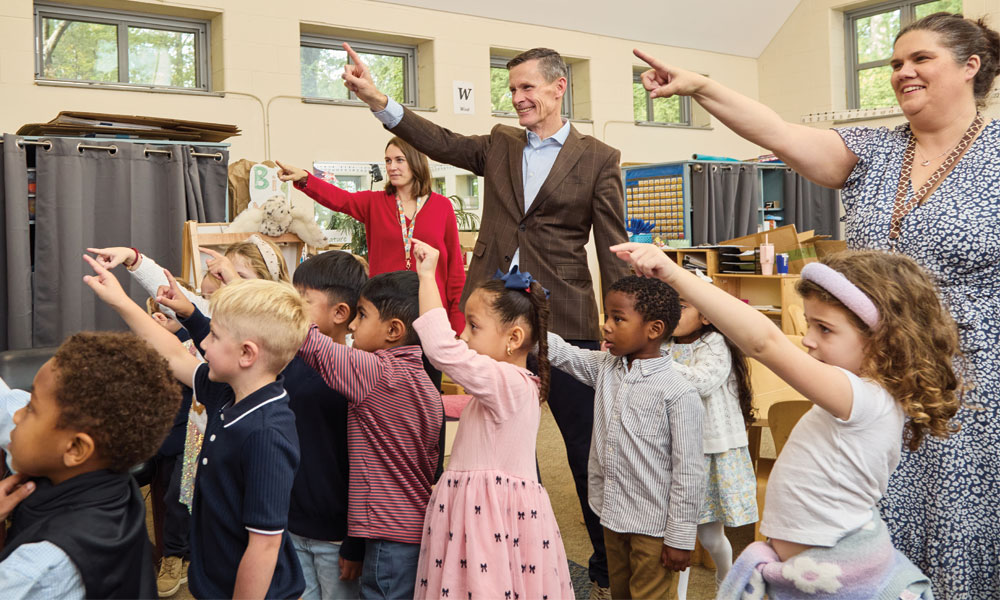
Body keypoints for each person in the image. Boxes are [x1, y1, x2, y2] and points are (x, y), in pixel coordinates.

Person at [633, 14, 999, 594]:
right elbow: (776, 131)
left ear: (970, 66)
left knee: (960, 523)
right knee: (864, 516)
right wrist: (701, 86)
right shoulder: (875, 152)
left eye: (919, 59)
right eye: (895, 62)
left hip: (973, 380)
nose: (902, 71)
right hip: (877, 370)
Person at [342, 42, 630, 596]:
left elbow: (613, 246)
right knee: (505, 436)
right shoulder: (500, 144)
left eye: (527, 87)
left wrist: (621, 327)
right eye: (512, 88)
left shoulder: (599, 157)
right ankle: (511, 554)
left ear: (557, 87)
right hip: (493, 318)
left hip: (565, 318)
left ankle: (604, 563)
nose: (517, 97)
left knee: (584, 445)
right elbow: (441, 142)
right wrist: (379, 100)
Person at [614, 243, 959, 598]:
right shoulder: (859, 397)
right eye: (809, 324)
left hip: (836, 572)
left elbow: (764, 343)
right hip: (809, 571)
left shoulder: (865, 400)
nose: (808, 340)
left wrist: (673, 274)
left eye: (824, 329)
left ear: (884, 339)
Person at [84, 260, 308, 600]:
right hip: (213, 580)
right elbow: (173, 353)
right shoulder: (229, 390)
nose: (204, 345)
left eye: (215, 337)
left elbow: (264, 547)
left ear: (247, 354)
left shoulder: (267, 434)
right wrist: (120, 301)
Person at [155, 250, 370, 600]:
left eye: (304, 299)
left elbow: (364, 467)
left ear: (340, 313)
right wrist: (193, 314)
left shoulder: (354, 378)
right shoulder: (284, 366)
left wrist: (355, 542)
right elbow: (249, 328)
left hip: (333, 535)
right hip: (286, 526)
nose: (294, 306)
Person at [408, 239, 573, 600]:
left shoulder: (508, 383)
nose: (463, 336)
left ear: (514, 338)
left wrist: (426, 276)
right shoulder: (509, 385)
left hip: (487, 518)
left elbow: (440, 350)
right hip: (484, 511)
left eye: (473, 326)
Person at [545, 274, 705, 599]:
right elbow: (562, 353)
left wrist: (680, 537)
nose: (606, 326)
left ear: (654, 330)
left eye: (618, 319)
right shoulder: (607, 367)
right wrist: (532, 312)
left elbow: (689, 473)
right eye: (607, 316)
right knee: (619, 592)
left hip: (653, 527)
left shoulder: (677, 392)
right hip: (612, 515)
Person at [296, 270, 443, 600]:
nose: (351, 326)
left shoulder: (378, 373)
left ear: (393, 330)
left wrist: (286, 305)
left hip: (388, 534)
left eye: (361, 315)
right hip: (411, 528)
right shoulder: (423, 382)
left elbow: (314, 345)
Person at [0, 331, 180, 599]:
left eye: (31, 409)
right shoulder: (100, 474)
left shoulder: (39, 567)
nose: (17, 415)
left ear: (75, 448)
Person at [276, 137, 466, 335]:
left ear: (416, 162)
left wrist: (458, 325)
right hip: (384, 310)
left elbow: (455, 270)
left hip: (430, 309)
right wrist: (305, 179)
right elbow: (340, 199)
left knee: (429, 365)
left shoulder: (442, 206)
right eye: (388, 161)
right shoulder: (374, 203)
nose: (392, 167)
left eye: (399, 160)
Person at [667, 297, 758, 598]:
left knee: (710, 537)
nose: (672, 313)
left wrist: (652, 361)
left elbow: (702, 382)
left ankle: (727, 578)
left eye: (681, 307)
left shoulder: (715, 343)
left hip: (709, 451)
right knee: (677, 536)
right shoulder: (664, 344)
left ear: (706, 315)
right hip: (674, 452)